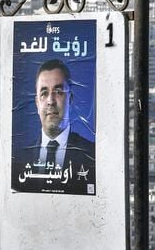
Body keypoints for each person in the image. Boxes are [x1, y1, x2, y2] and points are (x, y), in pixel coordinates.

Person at [14, 59, 95, 192]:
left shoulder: (92, 155)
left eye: (58, 92)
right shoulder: (19, 158)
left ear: (70, 98)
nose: (50, 101)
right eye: (44, 93)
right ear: (37, 104)